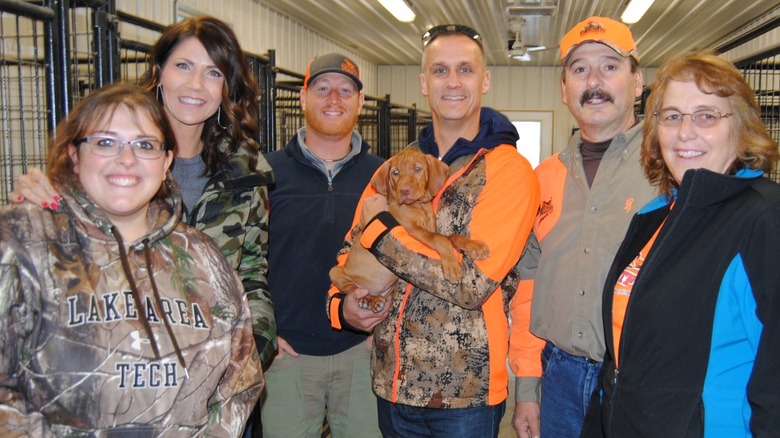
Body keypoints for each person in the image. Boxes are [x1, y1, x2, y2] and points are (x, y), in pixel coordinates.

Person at [9, 16, 277, 370]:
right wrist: (39, 205)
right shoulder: (119, 167)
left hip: (218, 377)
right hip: (117, 369)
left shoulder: (247, 171)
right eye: (183, 66)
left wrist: (249, 353)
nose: (197, 85)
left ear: (228, 87)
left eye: (214, 73)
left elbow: (252, 275)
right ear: (159, 71)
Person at [0, 82, 263, 436]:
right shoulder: (24, 245)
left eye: (144, 145)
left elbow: (240, 382)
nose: (127, 159)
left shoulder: (202, 257)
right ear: (75, 154)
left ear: (167, 159)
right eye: (106, 142)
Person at [327, 24, 539, 437]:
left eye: (465, 69)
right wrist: (341, 306)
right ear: (424, 83)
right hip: (392, 383)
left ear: (485, 80)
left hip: (466, 395)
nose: (453, 82)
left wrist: (383, 234)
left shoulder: (507, 168)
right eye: (440, 71)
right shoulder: (400, 167)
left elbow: (471, 283)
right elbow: (350, 248)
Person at [581, 51, 780, 437]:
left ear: (739, 126)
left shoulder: (764, 218)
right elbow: (620, 354)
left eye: (706, 115)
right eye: (672, 116)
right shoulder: (655, 215)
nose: (685, 132)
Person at [509, 16, 657, 438]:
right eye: (579, 70)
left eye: (610, 66)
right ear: (564, 90)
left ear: (637, 80)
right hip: (558, 378)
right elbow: (527, 289)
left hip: (641, 380)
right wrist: (527, 386)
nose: (594, 81)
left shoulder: (671, 170)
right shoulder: (541, 179)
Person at [259, 53, 384, 437]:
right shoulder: (264, 172)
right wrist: (263, 336)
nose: (334, 99)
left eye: (346, 90)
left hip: (362, 355)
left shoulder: (383, 176)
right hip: (288, 357)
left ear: (360, 103)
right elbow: (240, 261)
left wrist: (382, 332)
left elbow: (406, 260)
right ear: (303, 96)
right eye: (323, 88)